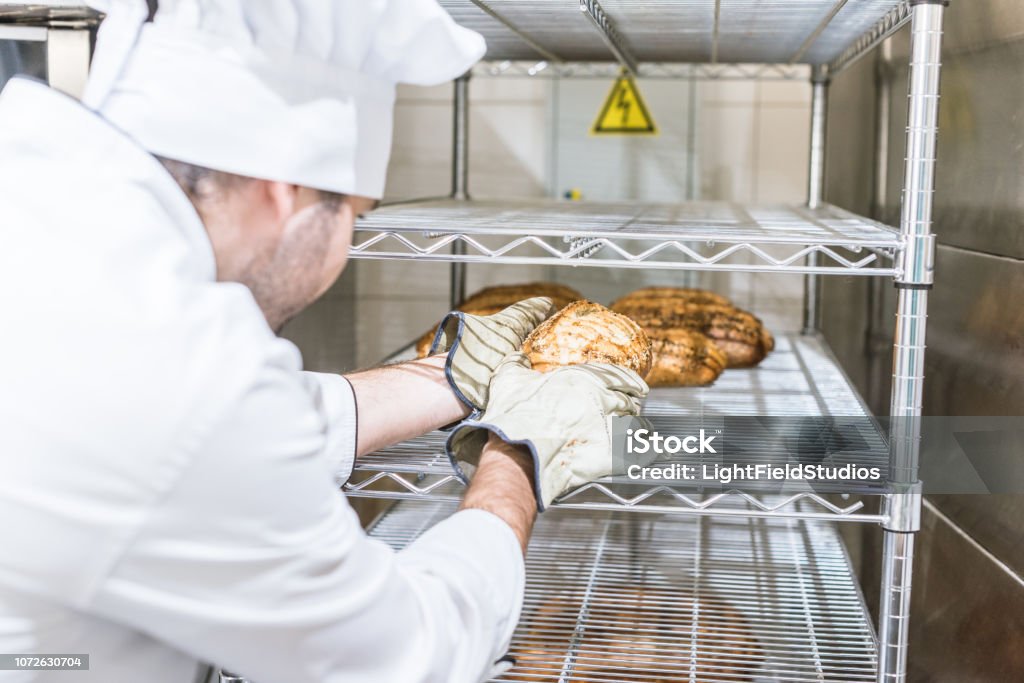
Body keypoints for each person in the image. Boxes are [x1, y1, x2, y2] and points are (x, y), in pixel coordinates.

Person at [0, 1, 648, 682]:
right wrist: (520, 457)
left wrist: (451, 377)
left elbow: (208, 426)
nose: (345, 242)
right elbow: (403, 657)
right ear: (286, 190)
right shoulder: (178, 375)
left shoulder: (60, 247)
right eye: (353, 216)